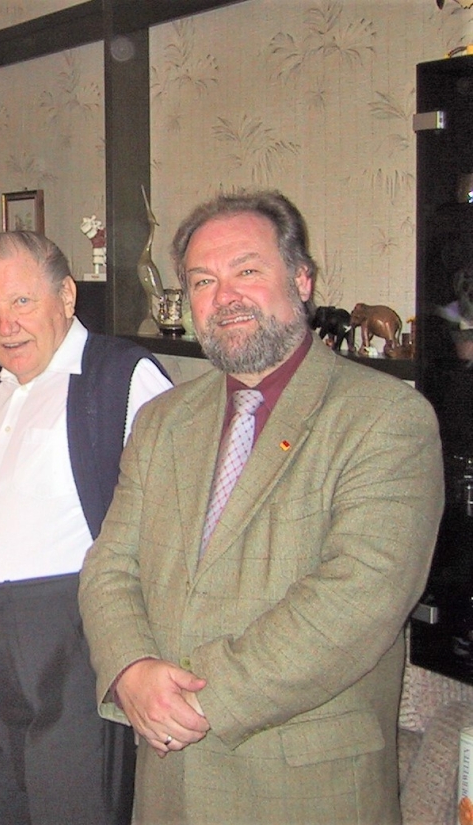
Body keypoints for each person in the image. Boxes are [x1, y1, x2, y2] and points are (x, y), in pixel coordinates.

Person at [77, 190, 445, 825]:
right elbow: (110, 565)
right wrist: (131, 669)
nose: (225, 297)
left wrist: (191, 700)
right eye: (202, 281)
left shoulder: (385, 419)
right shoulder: (163, 421)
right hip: (167, 786)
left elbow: (357, 601)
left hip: (304, 789)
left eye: (247, 270)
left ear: (301, 281)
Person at [0, 231, 172, 825]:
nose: (4, 323)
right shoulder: (0, 388)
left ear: (66, 297)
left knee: (74, 808)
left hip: (67, 641)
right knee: (6, 807)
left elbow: (172, 523)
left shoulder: (120, 377)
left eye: (21, 301)